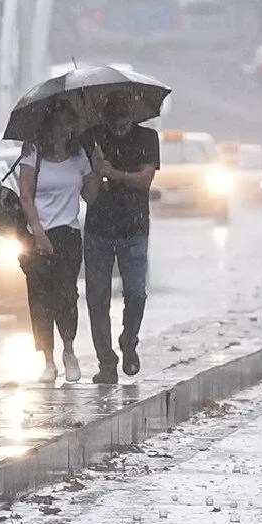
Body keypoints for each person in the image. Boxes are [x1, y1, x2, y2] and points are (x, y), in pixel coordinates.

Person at [18, 102, 102, 384]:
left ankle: (69, 350)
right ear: (48, 127)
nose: (62, 131)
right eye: (58, 125)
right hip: (37, 235)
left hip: (67, 234)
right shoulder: (32, 154)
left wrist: (97, 169)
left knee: (66, 295)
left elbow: (90, 196)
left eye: (68, 125)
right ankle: (48, 360)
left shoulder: (80, 158)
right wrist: (38, 232)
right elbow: (26, 195)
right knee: (39, 298)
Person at [83, 94, 160, 384]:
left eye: (125, 110)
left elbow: (144, 179)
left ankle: (129, 341)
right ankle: (106, 361)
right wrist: (95, 169)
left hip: (134, 229)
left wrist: (112, 172)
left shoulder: (147, 138)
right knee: (96, 299)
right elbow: (88, 193)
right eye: (113, 111)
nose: (119, 117)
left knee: (136, 293)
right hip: (98, 230)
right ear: (105, 112)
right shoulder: (92, 139)